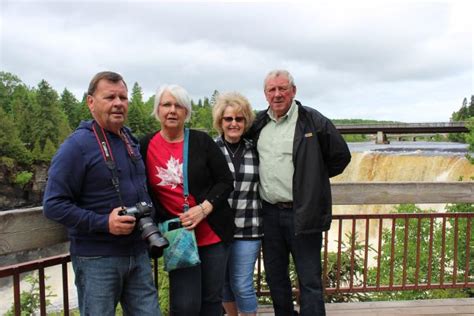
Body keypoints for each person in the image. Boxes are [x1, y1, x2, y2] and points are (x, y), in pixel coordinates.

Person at [43, 71, 162, 316]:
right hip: (97, 258)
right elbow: (53, 204)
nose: (118, 103)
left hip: (137, 252)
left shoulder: (129, 140)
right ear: (91, 102)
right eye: (110, 97)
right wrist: (103, 223)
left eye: (123, 97)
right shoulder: (76, 146)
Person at [248, 70, 351, 316]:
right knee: (275, 277)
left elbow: (341, 157)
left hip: (303, 212)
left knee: (310, 280)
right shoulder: (258, 123)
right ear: (265, 94)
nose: (277, 94)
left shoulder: (313, 121)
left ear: (293, 91)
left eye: (282, 88)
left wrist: (312, 179)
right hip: (269, 213)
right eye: (272, 90)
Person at [140, 84, 235, 316]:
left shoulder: (202, 142)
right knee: (184, 305)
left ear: (186, 112)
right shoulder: (145, 146)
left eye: (179, 105)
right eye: (166, 105)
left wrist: (203, 209)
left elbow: (225, 181)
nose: (172, 110)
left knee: (211, 301)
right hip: (178, 237)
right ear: (157, 110)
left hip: (212, 234)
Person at [212, 92, 263, 316]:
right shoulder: (211, 151)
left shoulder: (257, 150)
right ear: (220, 122)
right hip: (218, 231)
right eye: (228, 119)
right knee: (223, 285)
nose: (234, 123)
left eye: (239, 119)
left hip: (249, 228)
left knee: (242, 285)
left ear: (246, 122)